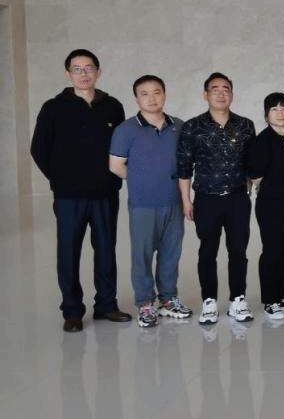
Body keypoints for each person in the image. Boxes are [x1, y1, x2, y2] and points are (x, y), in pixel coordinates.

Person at [31, 49, 128, 332]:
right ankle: (72, 311)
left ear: (98, 72)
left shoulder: (113, 106)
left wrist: (114, 177)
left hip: (105, 193)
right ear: (68, 74)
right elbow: (39, 149)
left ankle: (106, 305)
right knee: (68, 253)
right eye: (77, 69)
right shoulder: (53, 108)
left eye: (89, 68)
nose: (83, 74)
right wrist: (61, 178)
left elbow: (121, 149)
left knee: (106, 250)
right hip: (69, 196)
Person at [109, 75, 191, 328]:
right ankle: (145, 303)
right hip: (143, 204)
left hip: (173, 202)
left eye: (157, 92)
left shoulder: (179, 126)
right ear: (137, 99)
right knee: (142, 255)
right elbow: (116, 166)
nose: (152, 98)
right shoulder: (126, 130)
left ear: (164, 96)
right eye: (144, 94)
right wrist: (142, 179)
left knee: (171, 254)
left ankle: (168, 299)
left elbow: (186, 164)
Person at [176, 72, 256, 325]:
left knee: (238, 250)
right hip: (206, 198)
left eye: (226, 89)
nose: (221, 93)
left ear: (232, 94)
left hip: (237, 198)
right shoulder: (193, 127)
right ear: (205, 95)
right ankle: (209, 300)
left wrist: (249, 184)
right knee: (207, 251)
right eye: (215, 89)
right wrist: (186, 200)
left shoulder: (245, 125)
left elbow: (252, 161)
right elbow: (183, 167)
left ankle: (238, 299)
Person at [248, 92, 284, 320]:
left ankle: (283, 296)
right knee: (272, 250)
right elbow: (255, 174)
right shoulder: (262, 140)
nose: (280, 114)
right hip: (271, 205)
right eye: (274, 109)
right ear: (267, 114)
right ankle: (270, 300)